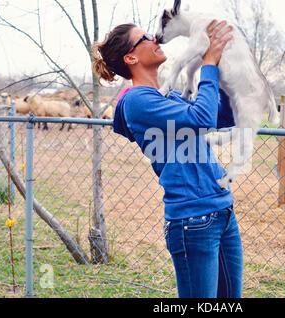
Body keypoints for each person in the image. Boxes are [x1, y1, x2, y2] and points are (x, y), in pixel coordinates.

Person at [92, 20, 243, 298]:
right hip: (193, 220)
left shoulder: (169, 96)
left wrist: (220, 66)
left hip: (222, 210)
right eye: (145, 37)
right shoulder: (138, 102)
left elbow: (225, 115)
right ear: (131, 57)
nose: (155, 38)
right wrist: (208, 64)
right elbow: (202, 119)